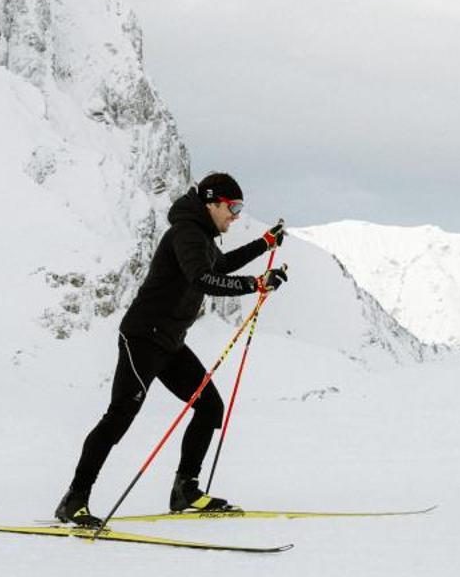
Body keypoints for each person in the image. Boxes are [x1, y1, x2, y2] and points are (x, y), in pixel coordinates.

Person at [55, 173, 289, 527]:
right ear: (212, 202)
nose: (236, 215)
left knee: (210, 406)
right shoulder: (186, 233)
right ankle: (74, 500)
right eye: (232, 207)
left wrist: (264, 244)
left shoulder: (202, 236)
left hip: (169, 342)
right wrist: (254, 284)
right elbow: (203, 279)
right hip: (142, 339)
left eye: (239, 208)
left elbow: (219, 266)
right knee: (118, 418)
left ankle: (186, 491)